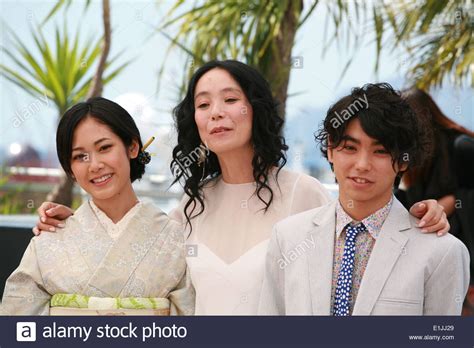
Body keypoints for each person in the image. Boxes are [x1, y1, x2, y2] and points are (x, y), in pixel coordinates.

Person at [32, 61, 449, 315]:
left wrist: (420, 213)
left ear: (255, 108)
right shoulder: (188, 209)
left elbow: (363, 235)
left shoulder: (302, 193)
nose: (217, 113)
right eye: (203, 104)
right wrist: (71, 225)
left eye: (230, 99)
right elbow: (133, 262)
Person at [258, 83, 469, 315]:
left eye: (380, 151)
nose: (362, 165)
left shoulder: (442, 252)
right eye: (349, 147)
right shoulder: (288, 238)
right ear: (330, 149)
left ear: (403, 161)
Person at [1, 97, 194, 315]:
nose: (95, 165)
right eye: (80, 156)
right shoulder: (49, 240)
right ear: (70, 169)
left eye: (104, 147)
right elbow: (16, 325)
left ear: (132, 147)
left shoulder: (174, 237)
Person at [395, 88, 474, 315]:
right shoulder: (410, 156)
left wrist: (453, 200)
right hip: (436, 254)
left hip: (465, 251)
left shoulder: (462, 146)